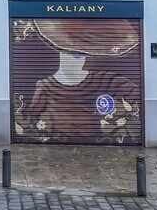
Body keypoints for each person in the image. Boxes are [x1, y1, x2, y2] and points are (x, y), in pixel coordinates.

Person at [12, 18, 141, 145]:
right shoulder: (46, 87)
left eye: (80, 55)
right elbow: (30, 117)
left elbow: (134, 94)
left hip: (99, 142)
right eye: (72, 54)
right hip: (59, 145)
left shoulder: (105, 80)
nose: (77, 61)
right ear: (60, 53)